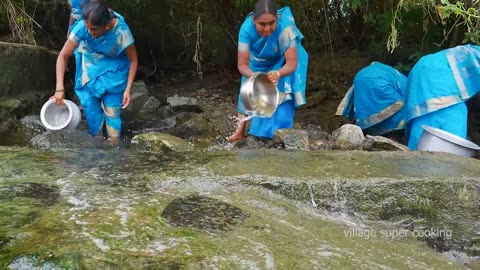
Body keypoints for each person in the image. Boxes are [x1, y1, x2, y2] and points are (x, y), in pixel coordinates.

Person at [53, 2, 138, 144]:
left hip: (114, 72)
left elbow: (134, 60)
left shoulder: (121, 32)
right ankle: (97, 146)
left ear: (106, 25)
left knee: (112, 115)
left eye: (94, 29)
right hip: (89, 68)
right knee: (91, 111)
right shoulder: (82, 26)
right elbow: (63, 56)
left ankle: (114, 149)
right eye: (87, 28)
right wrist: (59, 89)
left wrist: (128, 89)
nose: (90, 32)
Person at [227, 0, 308, 142]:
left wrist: (278, 73)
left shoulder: (285, 27)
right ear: (254, 20)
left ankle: (281, 132)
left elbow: (292, 63)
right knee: (248, 86)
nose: (267, 29)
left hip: (284, 61)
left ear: (277, 18)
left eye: (271, 23)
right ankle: (240, 131)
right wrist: (254, 77)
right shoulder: (246, 29)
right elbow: (242, 65)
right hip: (258, 62)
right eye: (262, 24)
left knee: (283, 88)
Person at [405, 44, 480, 150]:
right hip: (443, 83)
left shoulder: (470, 51)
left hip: (422, 71)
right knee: (452, 129)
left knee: (422, 121)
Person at [336, 62, 408, 136]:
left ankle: (364, 131)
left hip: (361, 78)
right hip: (380, 83)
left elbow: (353, 96)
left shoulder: (365, 72)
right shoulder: (405, 81)